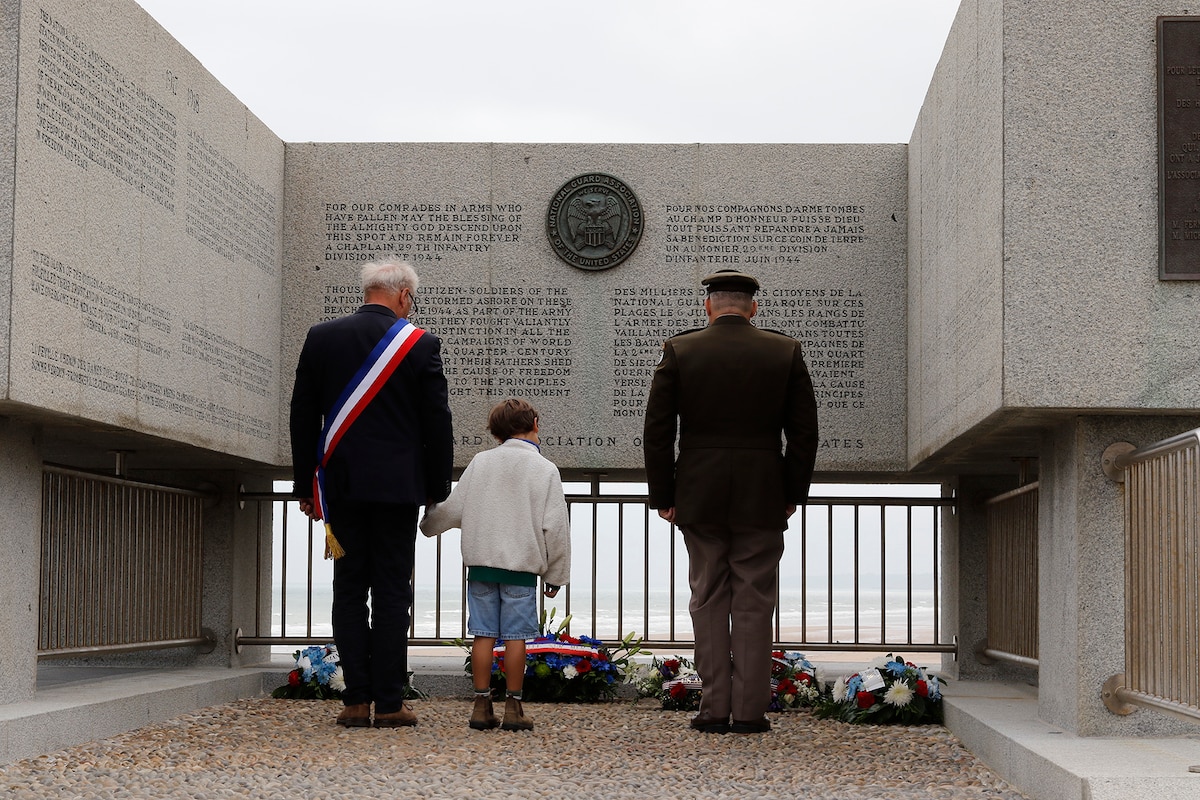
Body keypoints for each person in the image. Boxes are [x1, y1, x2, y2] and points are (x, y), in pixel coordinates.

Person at [642, 268, 819, 735]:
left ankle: (713, 709)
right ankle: (749, 712)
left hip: (698, 494)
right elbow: (803, 435)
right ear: (753, 307)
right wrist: (790, 494)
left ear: (708, 306)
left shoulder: (680, 350)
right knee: (754, 603)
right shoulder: (785, 351)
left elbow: (658, 432)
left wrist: (664, 494)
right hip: (763, 495)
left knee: (708, 598)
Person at [289, 258, 454, 729]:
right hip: (398, 491)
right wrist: (436, 486)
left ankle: (355, 701)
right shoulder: (419, 343)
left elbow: (302, 417)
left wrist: (306, 486)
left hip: (340, 488)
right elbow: (435, 422)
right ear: (403, 295)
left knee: (347, 591)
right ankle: (389, 702)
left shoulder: (322, 337)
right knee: (390, 594)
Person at [420, 398, 571, 732]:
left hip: (481, 567)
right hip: (521, 567)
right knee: (517, 638)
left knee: (483, 635)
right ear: (534, 422)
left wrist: (428, 523)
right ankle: (514, 707)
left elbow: (453, 508)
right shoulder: (545, 469)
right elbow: (555, 527)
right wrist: (556, 574)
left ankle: (480, 704)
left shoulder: (480, 462)